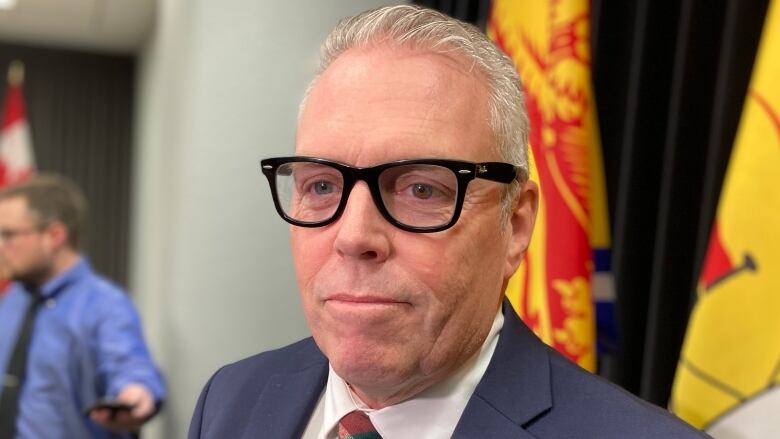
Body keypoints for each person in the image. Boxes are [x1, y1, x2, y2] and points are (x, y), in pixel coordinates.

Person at [189, 5, 709, 438]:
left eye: (421, 189)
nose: (353, 237)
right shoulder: (231, 401)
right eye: (322, 186)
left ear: (517, 225)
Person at [0, 174, 165, 438]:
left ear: (54, 235)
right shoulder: (13, 298)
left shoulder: (105, 305)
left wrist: (135, 395)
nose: (1, 246)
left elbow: (131, 368)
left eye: (8, 235)